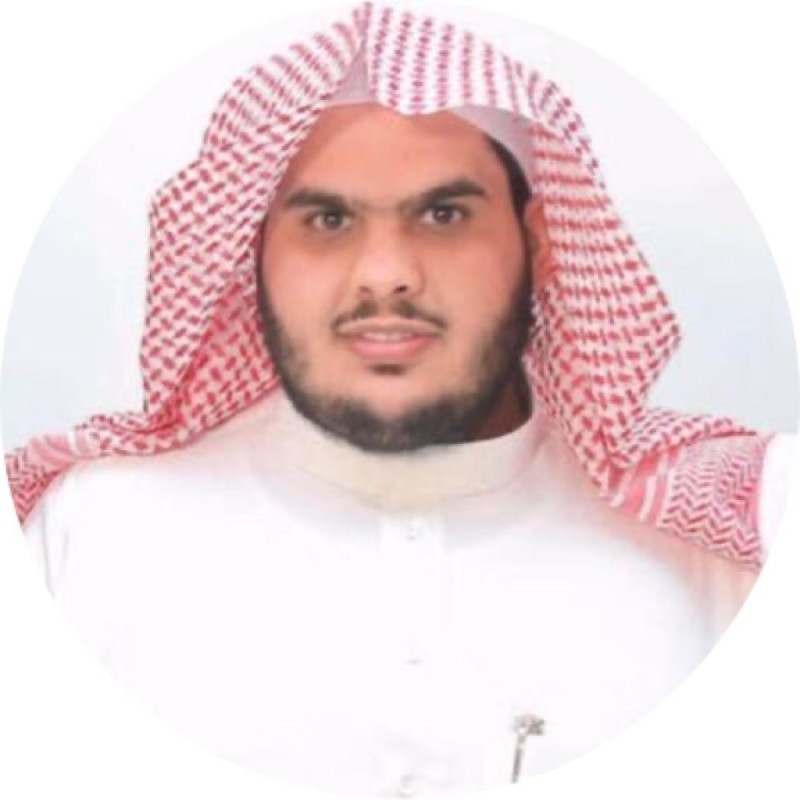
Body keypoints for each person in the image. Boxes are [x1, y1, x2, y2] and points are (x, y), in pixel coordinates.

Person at [5, 1, 796, 795]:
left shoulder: (747, 535)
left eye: (443, 214)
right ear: (253, 250)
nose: (385, 275)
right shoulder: (80, 540)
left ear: (542, 241)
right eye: (327, 219)